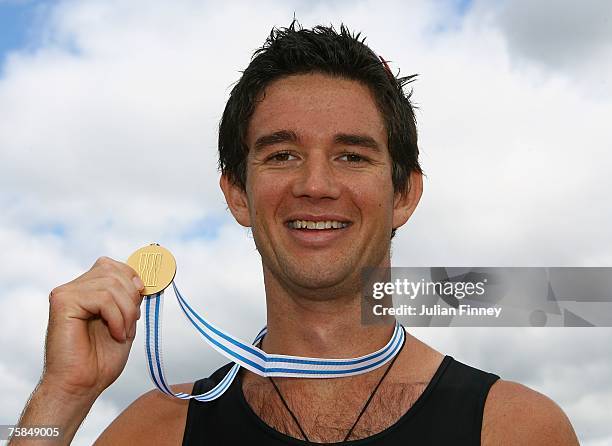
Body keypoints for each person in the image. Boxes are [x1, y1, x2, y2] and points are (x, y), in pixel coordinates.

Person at [12, 22, 579, 446]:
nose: (315, 184)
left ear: (404, 194)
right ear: (237, 194)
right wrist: (61, 399)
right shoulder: (157, 430)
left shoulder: (513, 427)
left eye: (352, 156)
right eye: (282, 154)